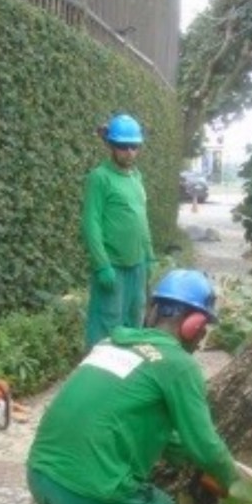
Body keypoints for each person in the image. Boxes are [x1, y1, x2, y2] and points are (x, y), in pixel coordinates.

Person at [0, 270, 238, 504]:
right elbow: (206, 447)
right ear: (194, 324)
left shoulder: (110, 343)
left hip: (41, 479)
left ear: (152, 310)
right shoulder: (177, 365)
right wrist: (238, 488)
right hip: (89, 494)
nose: (202, 337)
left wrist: (182, 454)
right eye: (203, 327)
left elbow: (133, 420)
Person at [83, 112, 155, 348]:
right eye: (123, 146)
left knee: (134, 322)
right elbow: (91, 223)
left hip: (137, 266)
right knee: (107, 324)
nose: (130, 152)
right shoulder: (100, 178)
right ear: (111, 145)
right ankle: (98, 375)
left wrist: (150, 256)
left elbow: (141, 219)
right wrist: (101, 264)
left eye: (134, 146)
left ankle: (126, 376)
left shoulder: (136, 176)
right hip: (113, 266)